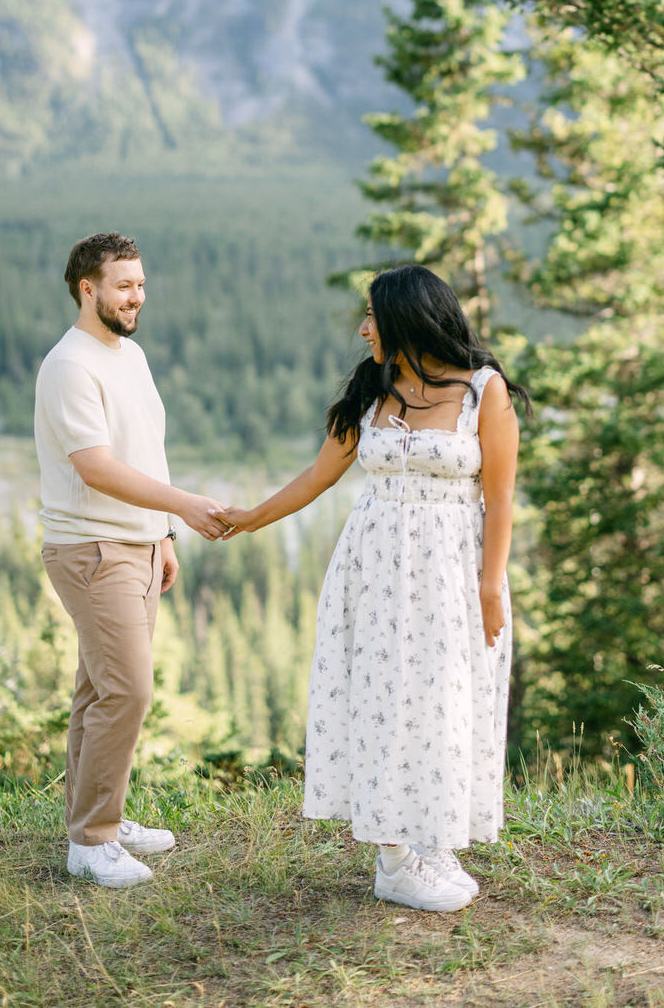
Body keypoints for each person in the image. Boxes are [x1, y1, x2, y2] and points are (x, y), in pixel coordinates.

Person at [220, 263, 528, 912]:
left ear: (407, 321)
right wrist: (249, 518)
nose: (364, 330)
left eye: (373, 318)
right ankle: (393, 860)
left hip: (449, 574)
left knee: (440, 701)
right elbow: (316, 477)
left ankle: (432, 840)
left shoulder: (482, 393)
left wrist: (491, 586)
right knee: (381, 701)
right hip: (374, 572)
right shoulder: (371, 392)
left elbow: (499, 500)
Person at [35, 231, 227, 889]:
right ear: (86, 289)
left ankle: (100, 820)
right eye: (123, 285)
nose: (136, 295)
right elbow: (95, 469)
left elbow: (145, 447)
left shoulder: (131, 355)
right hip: (92, 549)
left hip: (138, 545)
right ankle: (91, 843)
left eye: (140, 284)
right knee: (128, 689)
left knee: (98, 688)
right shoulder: (70, 365)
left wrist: (165, 532)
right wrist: (185, 504)